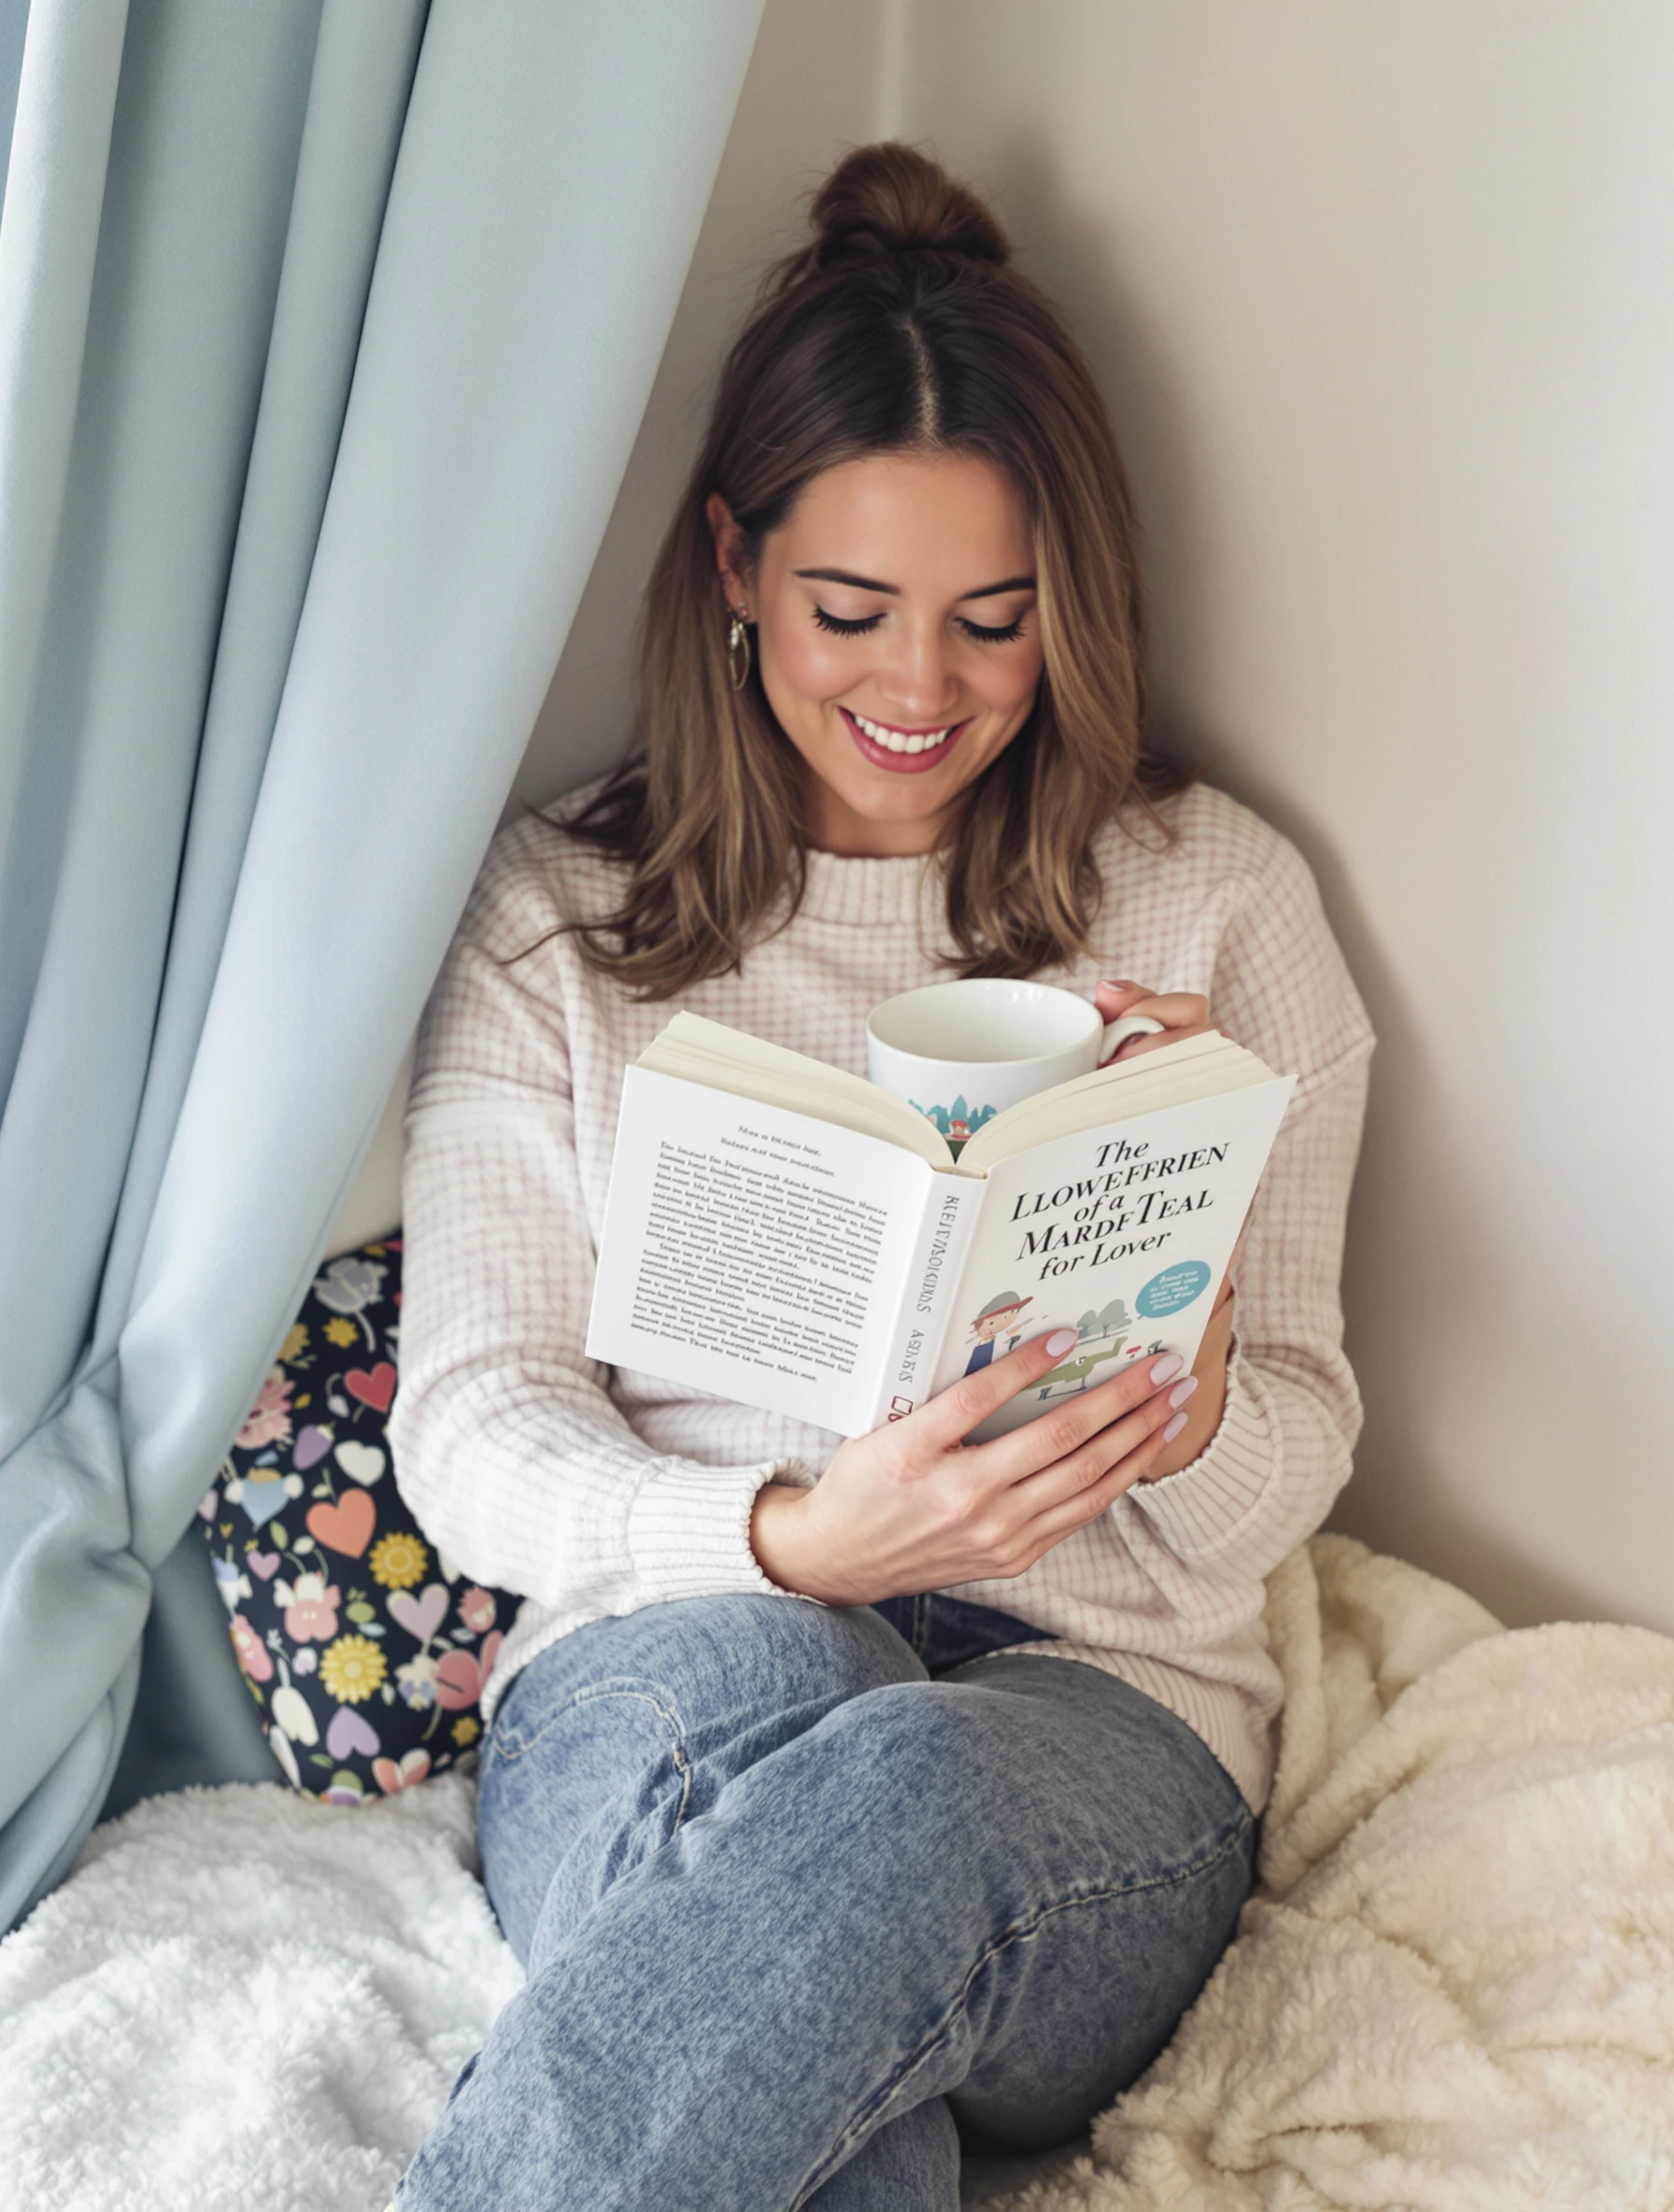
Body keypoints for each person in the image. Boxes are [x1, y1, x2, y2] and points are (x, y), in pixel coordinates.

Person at [387, 142, 1373, 2211]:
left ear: (1067, 605)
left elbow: (1296, 1440)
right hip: (681, 1636)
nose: (918, 691)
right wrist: (784, 1531)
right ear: (734, 566)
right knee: (853, 2120)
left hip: (1085, 1706)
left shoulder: (1214, 904)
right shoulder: (561, 916)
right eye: (850, 610)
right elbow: (472, 1436)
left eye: (990, 622)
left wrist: (1180, 1402)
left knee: (897, 1801)